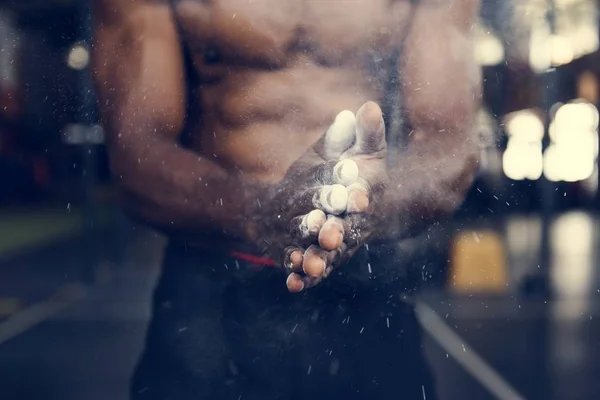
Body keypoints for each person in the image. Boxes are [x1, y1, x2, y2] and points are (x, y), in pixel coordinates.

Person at [92, 0, 481, 398]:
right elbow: (134, 153)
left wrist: (360, 210)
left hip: (366, 281)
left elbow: (449, 145)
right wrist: (260, 215)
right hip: (212, 286)